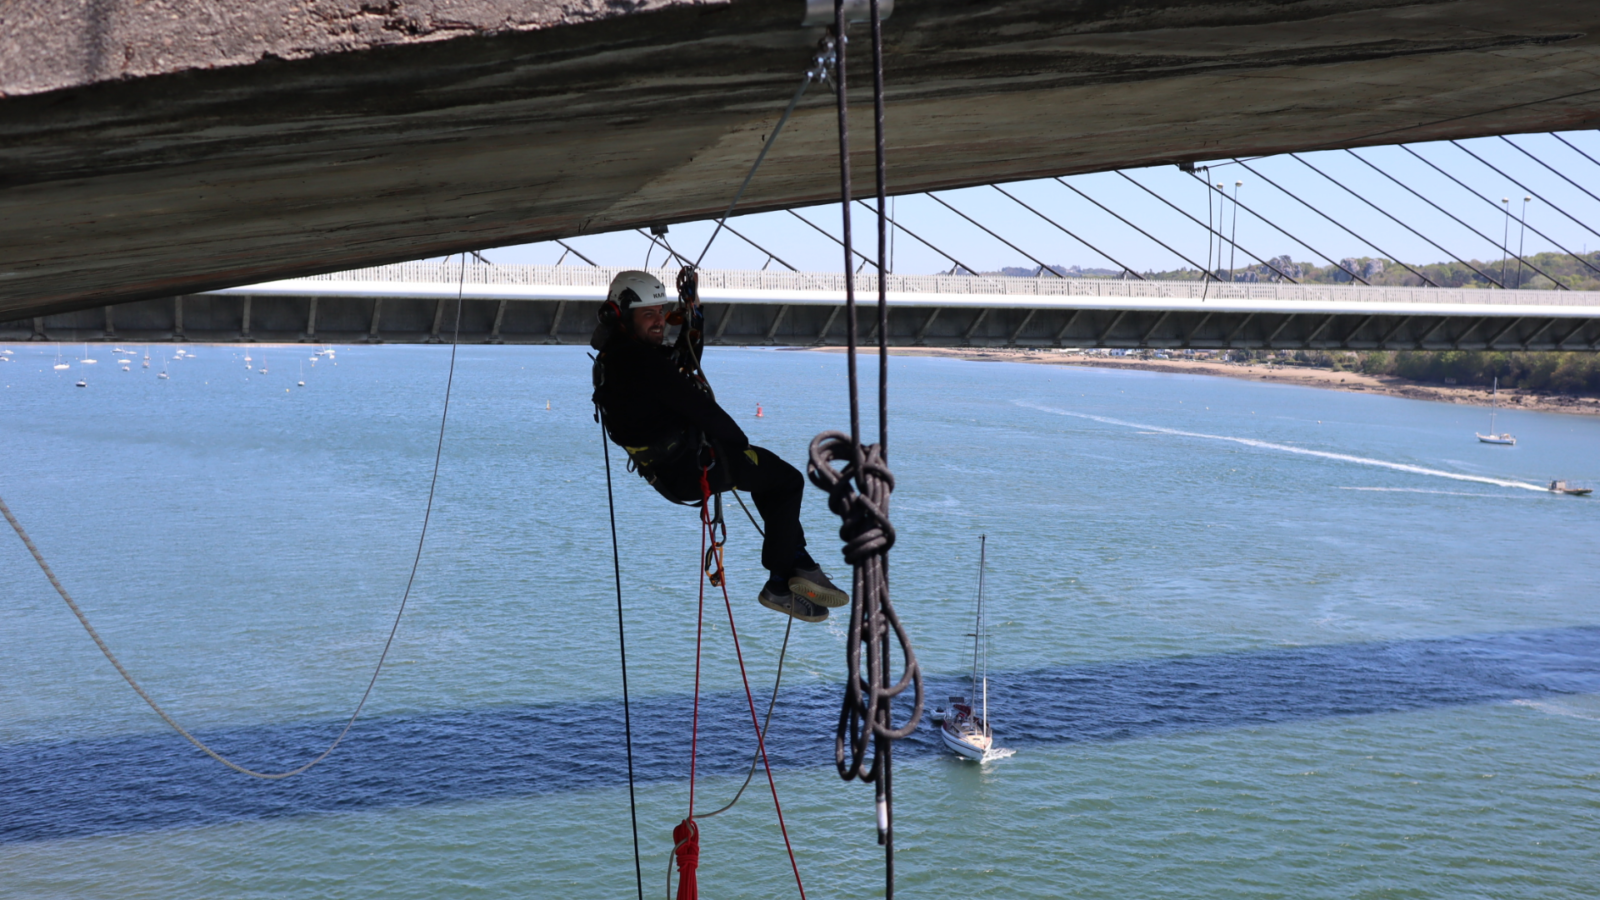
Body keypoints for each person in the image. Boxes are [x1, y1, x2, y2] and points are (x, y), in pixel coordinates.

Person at [591, 269, 847, 622]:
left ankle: (797, 564)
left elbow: (681, 359)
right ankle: (781, 579)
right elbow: (700, 407)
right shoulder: (642, 362)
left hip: (671, 470)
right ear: (619, 314)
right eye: (649, 314)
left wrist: (694, 313)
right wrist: (739, 444)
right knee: (787, 481)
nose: (659, 322)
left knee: (769, 479)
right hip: (691, 466)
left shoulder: (616, 358)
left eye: (662, 312)